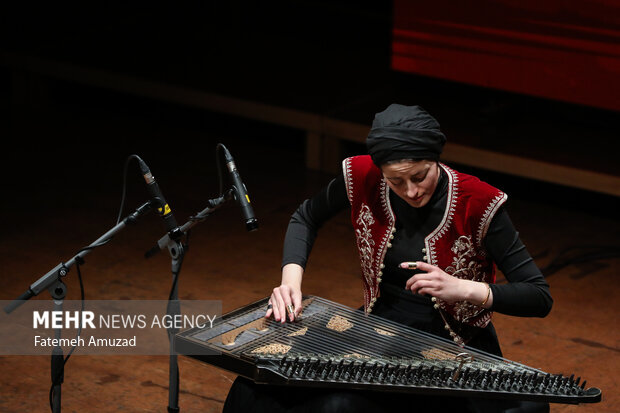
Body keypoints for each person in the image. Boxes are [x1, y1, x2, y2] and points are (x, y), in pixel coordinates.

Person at [223, 104, 553, 413]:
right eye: (396, 181)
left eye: (420, 176)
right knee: (252, 386)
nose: (411, 191)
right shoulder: (363, 176)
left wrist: (463, 288)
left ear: (436, 159)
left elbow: (539, 296)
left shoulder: (478, 201)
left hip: (453, 346)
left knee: (339, 406)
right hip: (375, 330)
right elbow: (306, 217)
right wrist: (290, 283)